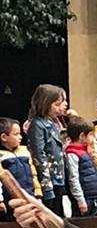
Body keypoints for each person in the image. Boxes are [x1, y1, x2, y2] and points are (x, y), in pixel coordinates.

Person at [0, 117, 50, 228]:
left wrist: (38, 193)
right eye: (16, 134)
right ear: (4, 137)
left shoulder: (24, 151)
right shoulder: (1, 155)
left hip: (28, 197)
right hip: (10, 202)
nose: (21, 137)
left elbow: (33, 174)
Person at [26, 84, 67, 217]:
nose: (62, 106)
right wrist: (46, 186)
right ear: (46, 104)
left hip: (59, 178)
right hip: (48, 181)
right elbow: (39, 155)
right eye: (57, 104)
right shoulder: (37, 124)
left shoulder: (54, 122)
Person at [64, 118, 97, 217]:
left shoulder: (86, 151)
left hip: (92, 197)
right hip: (84, 199)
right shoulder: (73, 154)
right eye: (90, 134)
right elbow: (74, 179)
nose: (93, 138)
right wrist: (80, 200)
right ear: (82, 136)